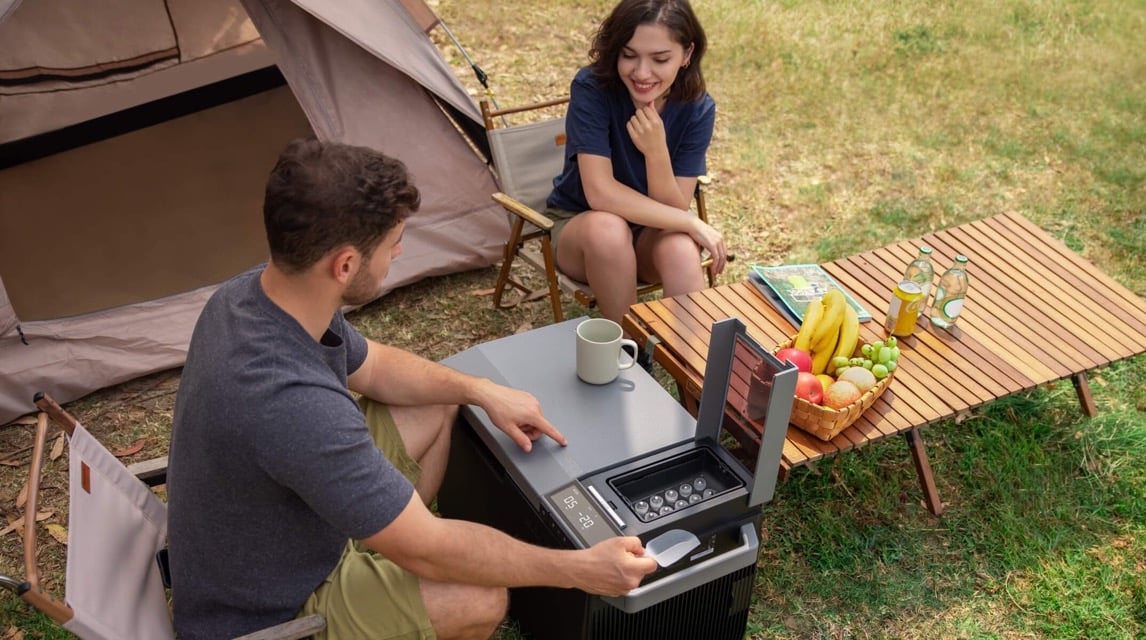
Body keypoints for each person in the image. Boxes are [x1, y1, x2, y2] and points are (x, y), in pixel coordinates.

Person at [166, 138, 657, 640]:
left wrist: (481, 389)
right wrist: (579, 568)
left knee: (438, 398)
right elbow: (432, 549)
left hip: (289, 525)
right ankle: (393, 543)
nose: (398, 251)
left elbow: (375, 366)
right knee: (479, 598)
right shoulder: (290, 404)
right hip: (273, 608)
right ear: (345, 265)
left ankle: (386, 535)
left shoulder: (253, 295)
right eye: (392, 243)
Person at [545, 0, 728, 323]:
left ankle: (693, 364)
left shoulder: (697, 108)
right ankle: (631, 350)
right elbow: (599, 194)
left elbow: (673, 207)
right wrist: (692, 222)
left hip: (649, 232)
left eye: (660, 59)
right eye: (629, 55)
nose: (642, 73)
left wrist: (656, 152)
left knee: (681, 248)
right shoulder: (593, 89)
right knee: (608, 228)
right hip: (582, 227)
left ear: (687, 55)